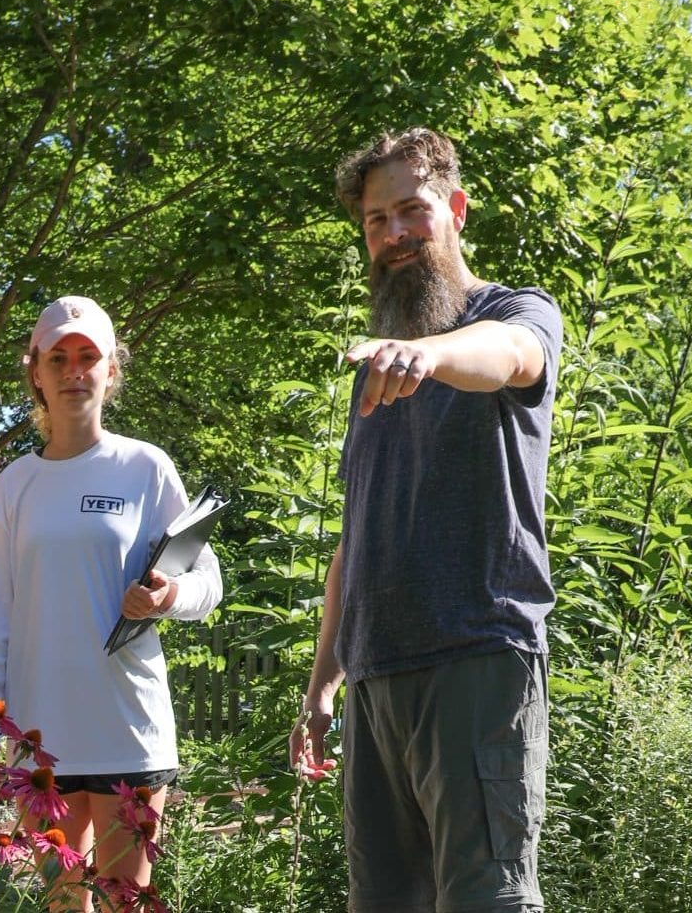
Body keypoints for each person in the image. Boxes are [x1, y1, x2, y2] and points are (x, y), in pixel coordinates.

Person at [290, 128, 561, 912]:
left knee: (486, 900)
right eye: (376, 221)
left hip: (475, 655)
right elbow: (358, 533)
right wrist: (321, 683)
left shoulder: (513, 311)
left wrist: (431, 356)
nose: (394, 234)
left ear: (455, 209)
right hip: (376, 675)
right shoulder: (379, 362)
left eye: (411, 209)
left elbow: (509, 354)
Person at [0, 296, 222, 911]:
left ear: (112, 370)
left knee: (125, 901)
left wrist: (168, 595)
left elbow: (207, 583)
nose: (74, 370)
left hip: (125, 729)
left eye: (89, 357)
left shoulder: (146, 467)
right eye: (59, 358)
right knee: (61, 902)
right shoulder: (12, 486)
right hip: (39, 734)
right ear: (36, 371)